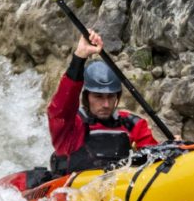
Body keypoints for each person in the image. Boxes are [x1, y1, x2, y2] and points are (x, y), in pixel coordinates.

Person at [47, 29, 158, 176]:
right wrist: (79, 58)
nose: (106, 104)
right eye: (98, 97)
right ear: (86, 97)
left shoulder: (131, 124)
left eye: (111, 97)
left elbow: (154, 155)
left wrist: (171, 147)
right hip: (77, 191)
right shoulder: (72, 127)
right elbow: (61, 107)